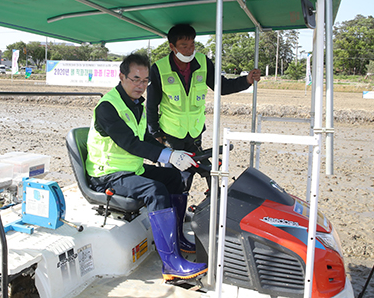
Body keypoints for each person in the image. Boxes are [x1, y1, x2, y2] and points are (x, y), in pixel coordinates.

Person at [86, 53, 207, 280]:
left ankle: (178, 238)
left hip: (131, 169)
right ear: (121, 76)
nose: (141, 86)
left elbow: (143, 138)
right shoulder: (107, 107)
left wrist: (172, 152)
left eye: (145, 81)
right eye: (135, 79)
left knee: (176, 179)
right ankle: (171, 265)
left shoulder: (135, 104)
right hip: (107, 174)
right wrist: (166, 155)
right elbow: (130, 143)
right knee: (155, 190)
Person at [147, 24, 261, 191]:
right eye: (183, 46)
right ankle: (175, 208)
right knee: (173, 178)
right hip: (170, 134)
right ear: (172, 47)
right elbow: (151, 105)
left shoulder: (203, 62)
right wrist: (155, 134)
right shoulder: (159, 68)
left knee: (194, 173)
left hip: (194, 132)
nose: (189, 50)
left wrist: (246, 81)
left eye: (192, 44)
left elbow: (221, 86)